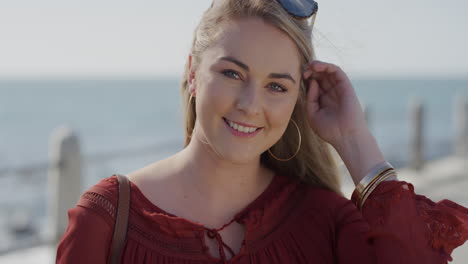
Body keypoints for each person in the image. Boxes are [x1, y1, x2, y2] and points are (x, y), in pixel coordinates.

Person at [56, 0, 468, 263]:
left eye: (277, 86)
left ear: (298, 100)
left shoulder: (325, 221)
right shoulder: (108, 220)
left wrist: (353, 140)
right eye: (233, 73)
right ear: (192, 73)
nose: (251, 105)